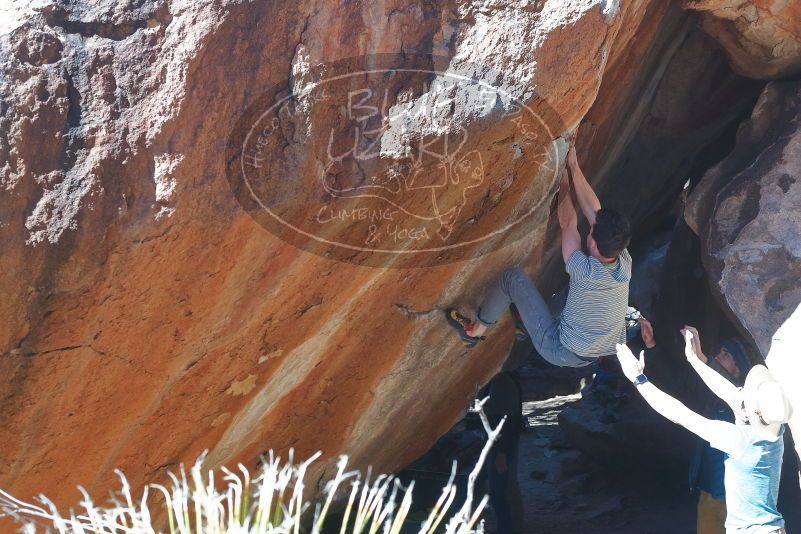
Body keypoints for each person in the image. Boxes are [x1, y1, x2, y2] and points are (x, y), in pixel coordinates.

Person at [446, 144, 632, 369]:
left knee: (511, 279)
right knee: (574, 294)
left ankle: (475, 331)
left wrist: (563, 179)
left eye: (592, 230)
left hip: (560, 349)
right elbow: (595, 212)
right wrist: (573, 165)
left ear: (592, 242)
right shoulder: (623, 260)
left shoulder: (585, 271)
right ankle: (526, 325)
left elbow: (568, 223)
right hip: (595, 348)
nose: (591, 226)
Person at [616, 329, 793, 534]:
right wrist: (695, 359)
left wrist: (638, 379)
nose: (742, 393)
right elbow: (729, 392)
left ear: (753, 409)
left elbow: (680, 415)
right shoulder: (774, 432)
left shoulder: (740, 441)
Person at [683, 326, 751, 534]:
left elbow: (727, 384)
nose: (718, 356)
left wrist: (702, 359)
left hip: (732, 493)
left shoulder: (746, 403)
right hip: (710, 487)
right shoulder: (713, 398)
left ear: (739, 369)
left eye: (726, 354)